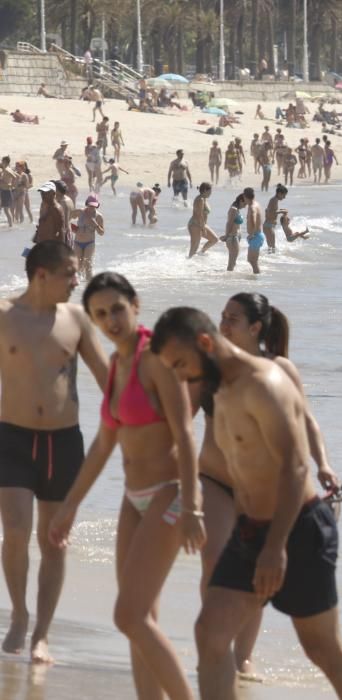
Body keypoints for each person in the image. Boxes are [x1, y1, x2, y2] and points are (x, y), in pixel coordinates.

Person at [149, 307, 342, 700]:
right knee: (210, 634)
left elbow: (294, 468)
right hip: (251, 529)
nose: (182, 376)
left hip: (297, 528)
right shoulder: (216, 384)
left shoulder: (265, 382)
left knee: (322, 649)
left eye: (182, 364)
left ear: (204, 344)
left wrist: (274, 548)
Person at [48, 273, 205, 696]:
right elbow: (103, 445)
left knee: (129, 616)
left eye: (116, 308)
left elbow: (186, 435)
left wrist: (192, 508)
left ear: (135, 304)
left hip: (169, 496)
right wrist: (69, 506)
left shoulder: (156, 358)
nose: (110, 320)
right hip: (133, 499)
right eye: (100, 314)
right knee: (140, 621)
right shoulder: (118, 363)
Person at [196, 293, 339, 677]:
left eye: (233, 318)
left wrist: (322, 463)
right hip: (212, 478)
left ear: (256, 327)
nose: (223, 324)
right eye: (221, 316)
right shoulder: (211, 368)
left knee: (254, 573)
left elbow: (307, 421)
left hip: (261, 492)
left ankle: (243, 655)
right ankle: (217, 647)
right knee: (214, 563)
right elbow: (180, 416)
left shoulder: (279, 370)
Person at [0, 241, 108, 663]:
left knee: (54, 541)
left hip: (63, 443)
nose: (77, 280)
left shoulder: (77, 319)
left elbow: (106, 379)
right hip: (11, 438)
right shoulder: (6, 317)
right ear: (41, 274)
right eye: (69, 272)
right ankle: (20, 615)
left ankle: (42, 633)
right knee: (15, 528)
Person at [71, 194, 105, 280]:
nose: (92, 207)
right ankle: (79, 288)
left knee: (87, 266)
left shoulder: (98, 216)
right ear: (87, 203)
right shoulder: (79, 212)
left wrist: (96, 225)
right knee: (78, 266)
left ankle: (89, 286)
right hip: (77, 243)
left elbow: (101, 233)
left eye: (94, 206)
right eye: (90, 205)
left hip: (89, 243)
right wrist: (72, 228)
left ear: (97, 205)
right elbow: (66, 218)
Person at [189, 182, 219, 258]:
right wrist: (202, 227)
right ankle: (188, 264)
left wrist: (203, 226)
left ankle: (200, 253)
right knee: (194, 248)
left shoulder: (204, 199)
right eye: (210, 191)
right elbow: (200, 214)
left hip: (201, 224)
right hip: (195, 224)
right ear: (205, 190)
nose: (211, 193)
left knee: (214, 239)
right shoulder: (200, 199)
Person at [221, 192, 247, 272]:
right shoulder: (233, 209)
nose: (245, 206)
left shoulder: (237, 209)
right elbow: (229, 223)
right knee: (232, 263)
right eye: (245, 203)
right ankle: (228, 281)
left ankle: (230, 279)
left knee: (233, 262)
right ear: (241, 201)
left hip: (235, 237)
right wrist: (226, 236)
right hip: (232, 237)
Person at [244, 187, 265, 274]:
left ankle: (257, 278)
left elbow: (254, 220)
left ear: (245, 196)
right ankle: (256, 279)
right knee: (251, 260)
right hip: (258, 235)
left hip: (255, 236)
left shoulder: (252, 207)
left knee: (253, 261)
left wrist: (252, 233)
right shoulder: (256, 204)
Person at [263, 185, 287, 254]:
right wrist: (282, 211)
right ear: (279, 193)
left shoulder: (274, 200)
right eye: (283, 195)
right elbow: (272, 212)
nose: (284, 197)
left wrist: (280, 210)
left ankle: (269, 260)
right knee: (272, 247)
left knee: (271, 247)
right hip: (269, 226)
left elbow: (269, 210)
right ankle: (271, 259)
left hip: (269, 226)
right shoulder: (274, 200)